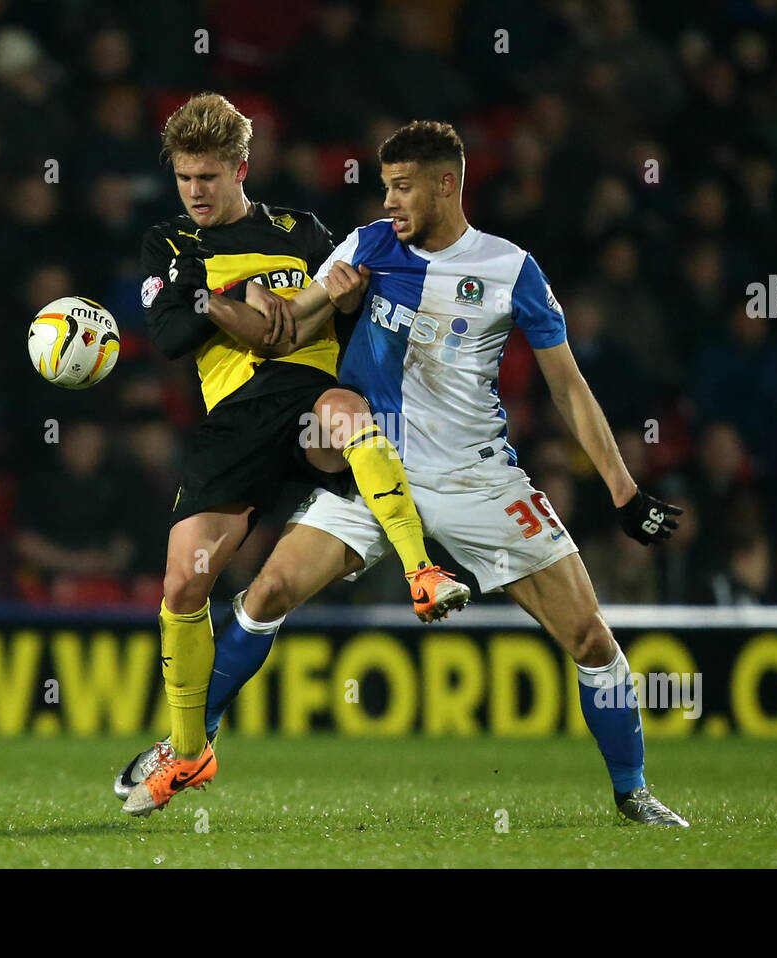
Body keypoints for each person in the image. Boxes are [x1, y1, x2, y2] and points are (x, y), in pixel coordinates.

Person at [120, 120, 689, 826]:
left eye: (402, 188)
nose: (387, 201)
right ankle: (185, 743)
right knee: (266, 592)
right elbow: (291, 324)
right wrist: (268, 310)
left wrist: (624, 491)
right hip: (372, 464)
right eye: (385, 186)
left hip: (474, 477)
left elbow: (568, 388)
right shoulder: (365, 245)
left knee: (591, 640)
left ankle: (633, 790)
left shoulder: (512, 269)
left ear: (446, 185)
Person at [123, 97, 469, 817]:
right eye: (185, 177)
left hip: (308, 398)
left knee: (348, 415)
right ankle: (190, 750)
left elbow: (355, 302)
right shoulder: (169, 242)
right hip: (238, 423)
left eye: (208, 177)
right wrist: (226, 301)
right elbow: (168, 335)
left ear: (240, 169)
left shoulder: (302, 231)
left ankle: (421, 569)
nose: (195, 191)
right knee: (185, 588)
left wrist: (341, 297)